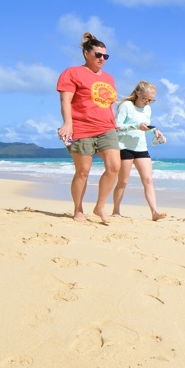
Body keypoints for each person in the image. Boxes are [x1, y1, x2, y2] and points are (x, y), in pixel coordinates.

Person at [56, 32, 121, 224]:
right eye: (98, 55)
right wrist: (68, 123)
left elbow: (105, 104)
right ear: (86, 53)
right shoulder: (72, 73)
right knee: (83, 171)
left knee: (114, 167)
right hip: (81, 128)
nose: (102, 59)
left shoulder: (109, 78)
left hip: (106, 128)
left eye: (105, 56)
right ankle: (78, 209)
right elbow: (65, 101)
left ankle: (100, 206)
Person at [112, 81, 167, 221]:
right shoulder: (126, 106)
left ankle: (154, 212)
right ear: (138, 93)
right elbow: (116, 126)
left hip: (141, 148)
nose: (147, 102)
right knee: (123, 182)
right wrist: (136, 126)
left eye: (151, 100)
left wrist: (154, 132)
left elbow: (145, 128)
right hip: (124, 147)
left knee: (148, 180)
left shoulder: (148, 109)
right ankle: (116, 211)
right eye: (145, 98)